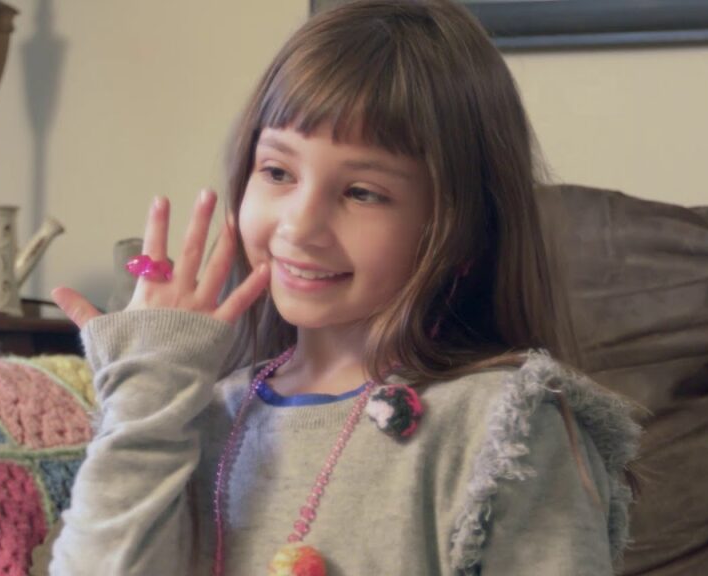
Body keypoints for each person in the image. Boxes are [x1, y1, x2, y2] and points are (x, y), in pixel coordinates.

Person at [47, 1, 640, 574]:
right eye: (277, 172)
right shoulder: (190, 414)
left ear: (463, 232)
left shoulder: (504, 427)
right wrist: (147, 385)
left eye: (362, 193)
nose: (300, 225)